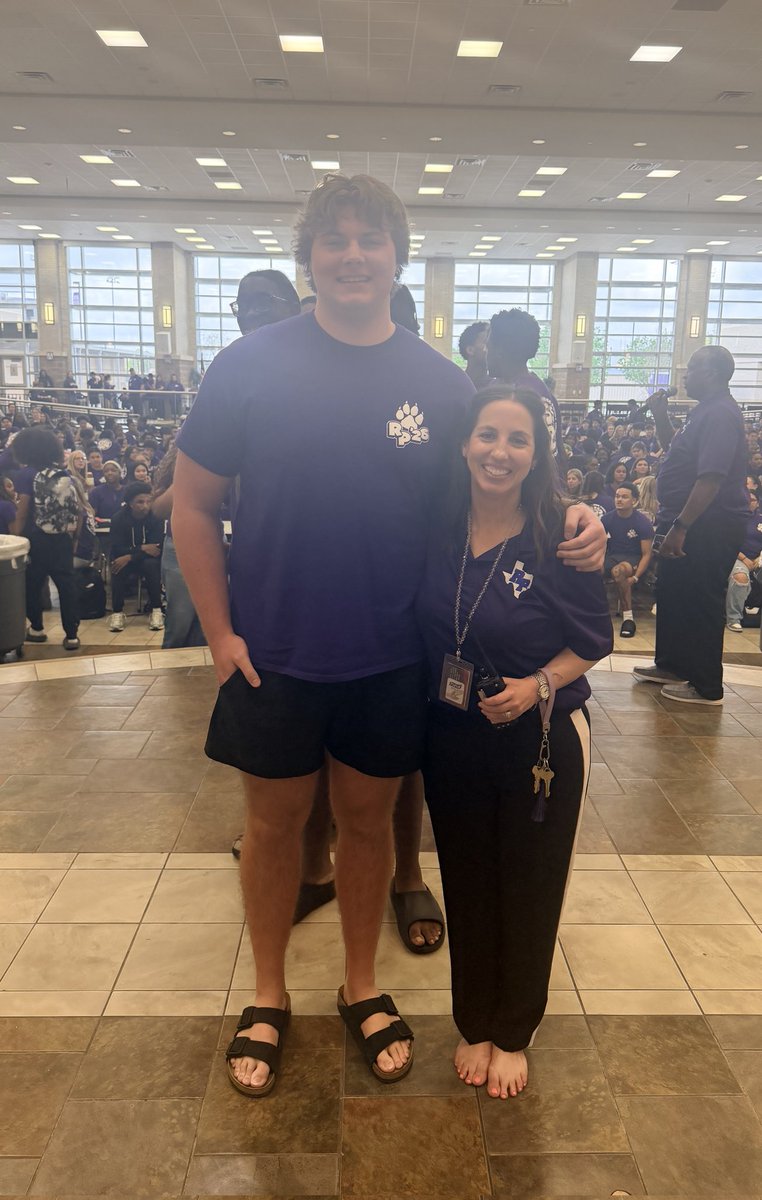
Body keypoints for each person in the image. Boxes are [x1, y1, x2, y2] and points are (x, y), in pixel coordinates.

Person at [171, 173, 606, 1098]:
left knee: (368, 823)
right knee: (272, 826)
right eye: (336, 240)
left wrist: (583, 521)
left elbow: (501, 482)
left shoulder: (441, 385)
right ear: (309, 259)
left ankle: (361, 986)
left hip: (391, 657)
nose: (355, 255)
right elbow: (195, 505)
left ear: (398, 258)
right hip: (272, 652)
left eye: (373, 240)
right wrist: (218, 633)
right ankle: (268, 993)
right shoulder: (246, 367)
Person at [418, 384, 612, 1100]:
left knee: (530, 884)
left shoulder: (560, 532)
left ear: (538, 453)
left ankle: (515, 1030)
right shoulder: (439, 522)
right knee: (467, 880)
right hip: (453, 733)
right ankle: (474, 1017)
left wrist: (538, 685)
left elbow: (595, 639)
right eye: (487, 436)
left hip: (542, 739)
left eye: (518, 439)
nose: (500, 452)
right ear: (465, 444)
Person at [633, 346, 747, 704]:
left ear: (713, 374)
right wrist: (661, 416)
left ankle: (706, 684)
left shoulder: (721, 415)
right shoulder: (703, 412)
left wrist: (682, 526)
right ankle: (672, 665)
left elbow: (710, 478)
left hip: (707, 525)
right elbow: (676, 453)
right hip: (684, 520)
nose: (684, 375)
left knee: (700, 601)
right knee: (674, 594)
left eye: (692, 368)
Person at [9, 426, 81, 651]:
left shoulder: (26, 475)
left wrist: (16, 538)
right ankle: (71, 635)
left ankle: (37, 628)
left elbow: (22, 510)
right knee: (66, 585)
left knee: (32, 584)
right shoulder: (62, 474)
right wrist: (74, 537)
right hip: (61, 538)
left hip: (36, 539)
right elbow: (76, 509)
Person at [486, 309, 565, 469]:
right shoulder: (497, 385)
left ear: (500, 351)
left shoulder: (531, 396)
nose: (485, 352)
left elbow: (546, 460)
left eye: (488, 347)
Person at [108, 482, 165, 633]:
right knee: (117, 565)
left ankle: (156, 610)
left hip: (145, 560)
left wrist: (130, 555)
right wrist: (141, 548)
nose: (145, 506)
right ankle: (117, 612)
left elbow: (157, 548)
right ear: (130, 503)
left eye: (148, 501)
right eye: (140, 502)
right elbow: (118, 548)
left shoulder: (156, 517)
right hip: (127, 557)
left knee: (152, 565)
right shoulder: (118, 519)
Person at [601, 481, 654, 638]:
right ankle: (591, 613)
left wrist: (636, 577)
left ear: (634, 501)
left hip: (633, 559)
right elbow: (600, 545)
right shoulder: (607, 519)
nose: (619, 500)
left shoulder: (642, 522)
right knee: (591, 568)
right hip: (612, 556)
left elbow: (647, 554)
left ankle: (628, 619)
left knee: (619, 571)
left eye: (624, 497)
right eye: (617, 496)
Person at [726, 490, 762, 632]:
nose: (749, 503)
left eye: (752, 500)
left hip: (758, 558)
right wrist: (744, 558)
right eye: (746, 500)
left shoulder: (760, 519)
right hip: (737, 556)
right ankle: (734, 618)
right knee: (740, 576)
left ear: (757, 503)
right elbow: (728, 543)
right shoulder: (733, 520)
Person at [232, 270, 301, 333]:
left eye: (262, 303)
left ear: (293, 310)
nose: (250, 313)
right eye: (242, 306)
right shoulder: (237, 346)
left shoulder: (309, 345)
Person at [458, 321, 489, 389]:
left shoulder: (496, 388)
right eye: (486, 342)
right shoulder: (457, 384)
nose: (491, 347)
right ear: (470, 350)